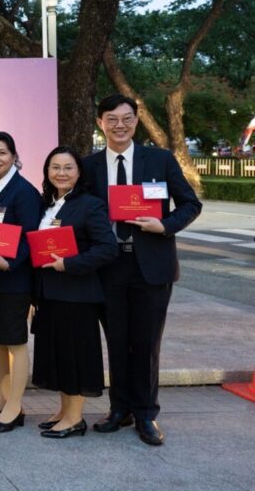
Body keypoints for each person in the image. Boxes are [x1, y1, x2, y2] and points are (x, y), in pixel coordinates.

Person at [83, 94, 202, 445]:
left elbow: (191, 204)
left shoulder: (159, 160)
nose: (120, 125)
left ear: (136, 120)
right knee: (117, 341)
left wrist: (163, 225)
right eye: (111, 119)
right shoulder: (89, 167)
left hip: (151, 265)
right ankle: (120, 408)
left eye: (126, 118)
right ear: (100, 123)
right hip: (108, 267)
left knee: (147, 342)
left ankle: (146, 413)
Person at [32, 145, 118, 438]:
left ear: (79, 172)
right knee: (58, 354)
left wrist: (69, 264)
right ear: (47, 172)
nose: (61, 173)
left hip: (77, 294)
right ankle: (64, 410)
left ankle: (75, 418)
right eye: (55, 167)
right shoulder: (48, 204)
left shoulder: (90, 204)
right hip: (50, 294)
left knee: (75, 355)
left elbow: (107, 248)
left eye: (68, 167)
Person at [0, 131, 41, 433]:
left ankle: (15, 407)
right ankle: (2, 398)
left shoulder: (24, 192)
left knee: (14, 342)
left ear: (14, 155)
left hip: (13, 277)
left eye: (1, 153)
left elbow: (30, 236)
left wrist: (10, 262)